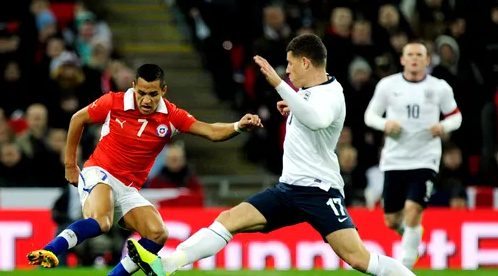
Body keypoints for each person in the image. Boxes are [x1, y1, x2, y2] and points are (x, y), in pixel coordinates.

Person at [125, 34, 418, 276]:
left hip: (318, 191)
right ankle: (165, 266)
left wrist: (279, 84)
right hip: (289, 189)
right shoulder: (307, 91)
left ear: (305, 62)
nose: (287, 71)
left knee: (359, 259)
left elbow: (317, 119)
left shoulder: (331, 93)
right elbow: (308, 113)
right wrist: (292, 104)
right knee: (230, 219)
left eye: (290, 65)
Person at [26, 64, 263, 276]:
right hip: (100, 173)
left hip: (128, 188)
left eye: (153, 94)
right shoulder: (114, 102)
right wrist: (70, 164)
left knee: (158, 234)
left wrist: (237, 126)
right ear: (133, 87)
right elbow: (77, 119)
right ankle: (51, 250)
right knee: (102, 222)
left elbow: (211, 131)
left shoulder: (171, 116)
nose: (146, 100)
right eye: (141, 93)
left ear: (164, 91)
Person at [364, 41, 462, 269]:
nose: (415, 58)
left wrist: (443, 127)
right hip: (395, 159)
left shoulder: (440, 87)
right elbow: (370, 116)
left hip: (425, 157)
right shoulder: (388, 85)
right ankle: (413, 232)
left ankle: (405, 266)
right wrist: (385, 124)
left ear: (428, 60)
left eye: (420, 55)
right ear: (402, 60)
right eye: (410, 54)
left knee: (413, 208)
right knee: (391, 220)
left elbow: (456, 117)